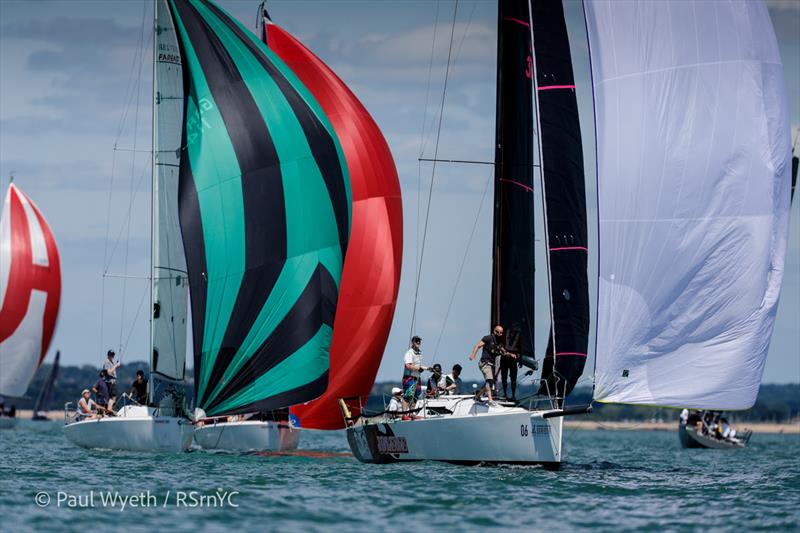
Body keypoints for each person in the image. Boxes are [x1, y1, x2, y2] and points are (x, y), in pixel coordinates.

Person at [469, 325, 505, 404]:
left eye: (501, 333)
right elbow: (477, 345)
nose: (500, 334)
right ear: (494, 331)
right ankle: (490, 400)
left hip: (492, 365)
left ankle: (477, 396)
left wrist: (511, 355)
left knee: (490, 382)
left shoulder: (499, 342)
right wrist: (473, 355)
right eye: (498, 332)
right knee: (489, 380)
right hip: (485, 363)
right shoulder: (488, 338)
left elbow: (504, 351)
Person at [402, 335, 428, 411]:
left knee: (416, 395)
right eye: (416, 341)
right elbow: (408, 365)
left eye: (419, 341)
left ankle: (411, 413)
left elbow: (419, 366)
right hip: (409, 378)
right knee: (408, 396)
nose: (418, 342)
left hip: (417, 378)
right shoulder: (409, 353)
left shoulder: (419, 353)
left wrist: (429, 369)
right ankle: (404, 414)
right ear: (412, 342)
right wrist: (418, 368)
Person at [499, 325, 520, 400]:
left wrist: (520, 361)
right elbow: (500, 345)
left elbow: (521, 348)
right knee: (504, 377)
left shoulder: (519, 337)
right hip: (504, 358)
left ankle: (513, 395)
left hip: (513, 360)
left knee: (513, 378)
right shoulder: (504, 335)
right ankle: (505, 394)